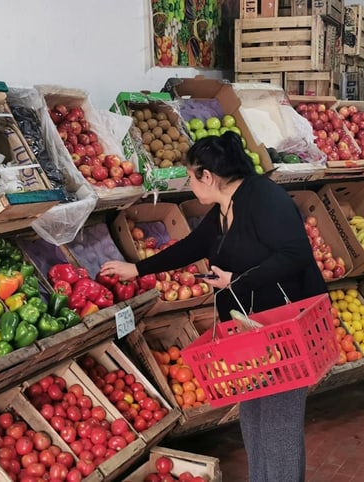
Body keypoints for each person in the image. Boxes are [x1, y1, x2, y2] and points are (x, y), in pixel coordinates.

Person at [100, 131, 327, 481]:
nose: (190, 185)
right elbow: (194, 246)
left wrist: (238, 280)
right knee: (253, 416)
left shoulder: (265, 199)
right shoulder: (224, 206)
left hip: (284, 330)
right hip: (250, 333)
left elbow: (297, 254)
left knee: (279, 422)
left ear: (209, 176)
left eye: (191, 177)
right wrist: (138, 268)